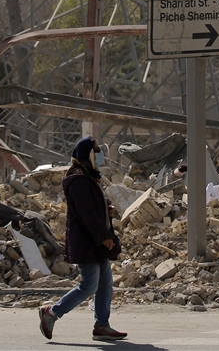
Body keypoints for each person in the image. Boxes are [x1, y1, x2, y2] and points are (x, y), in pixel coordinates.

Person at [39, 136, 127, 342]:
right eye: (96, 150)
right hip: (88, 241)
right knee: (89, 285)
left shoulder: (88, 176)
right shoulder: (78, 179)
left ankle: (102, 326)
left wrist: (107, 209)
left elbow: (93, 205)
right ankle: (51, 313)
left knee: (105, 285)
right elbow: (86, 212)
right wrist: (103, 235)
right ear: (87, 154)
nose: (99, 154)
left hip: (96, 240)